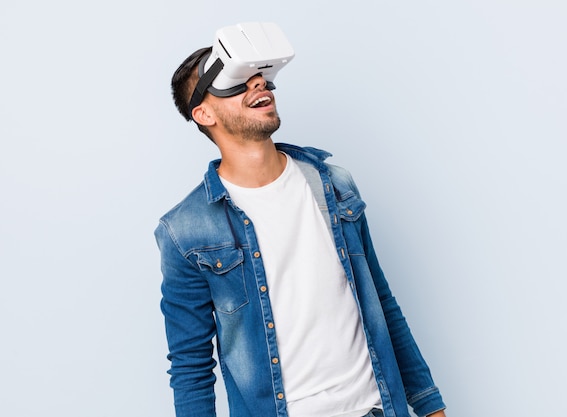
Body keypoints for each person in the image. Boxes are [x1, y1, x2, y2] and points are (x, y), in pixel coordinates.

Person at [156, 44, 447, 417]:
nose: (258, 84)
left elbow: (382, 303)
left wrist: (429, 406)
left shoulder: (335, 184)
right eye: (235, 82)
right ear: (204, 113)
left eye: (258, 77)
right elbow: (190, 366)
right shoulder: (185, 231)